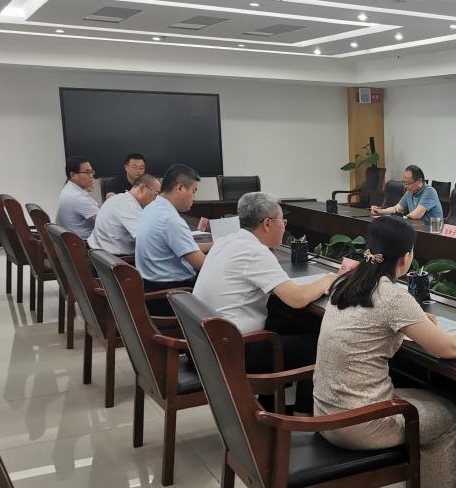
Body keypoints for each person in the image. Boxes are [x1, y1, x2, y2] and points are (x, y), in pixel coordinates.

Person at [313, 216, 456, 488]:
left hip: (327, 413)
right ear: (406, 258)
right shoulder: (393, 296)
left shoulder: (347, 282)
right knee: (450, 416)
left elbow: (373, 327)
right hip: (361, 424)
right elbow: (449, 349)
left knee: (426, 401)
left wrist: (417, 323)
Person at [194, 192, 336, 411]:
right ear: (268, 223)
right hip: (235, 350)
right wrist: (330, 278)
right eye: (283, 222)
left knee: (296, 323)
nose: (284, 227)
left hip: (210, 343)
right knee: (320, 343)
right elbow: (297, 299)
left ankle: (270, 407)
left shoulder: (227, 241)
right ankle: (303, 415)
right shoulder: (254, 251)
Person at [135, 164, 212, 313]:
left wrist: (216, 245)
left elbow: (184, 248)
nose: (194, 198)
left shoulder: (151, 208)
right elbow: (203, 264)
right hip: (171, 295)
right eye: (193, 191)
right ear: (180, 188)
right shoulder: (170, 219)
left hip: (151, 287)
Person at [88, 174, 161, 255]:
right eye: (156, 194)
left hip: (101, 253)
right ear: (142, 188)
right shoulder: (129, 206)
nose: (156, 199)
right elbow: (148, 240)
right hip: (117, 258)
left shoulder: (119, 198)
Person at [370, 165, 444, 221]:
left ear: (419, 181)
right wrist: (380, 211)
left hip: (432, 231)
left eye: (408, 183)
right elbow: (396, 208)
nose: (405, 186)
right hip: (418, 228)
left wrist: (400, 219)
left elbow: (416, 215)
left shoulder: (429, 192)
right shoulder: (409, 192)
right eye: (404, 183)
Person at [56, 155, 100, 240]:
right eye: (87, 172)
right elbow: (104, 220)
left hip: (75, 241)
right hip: (84, 244)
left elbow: (98, 209)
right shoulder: (76, 197)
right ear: (73, 175)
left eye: (92, 172)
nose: (91, 176)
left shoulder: (70, 189)